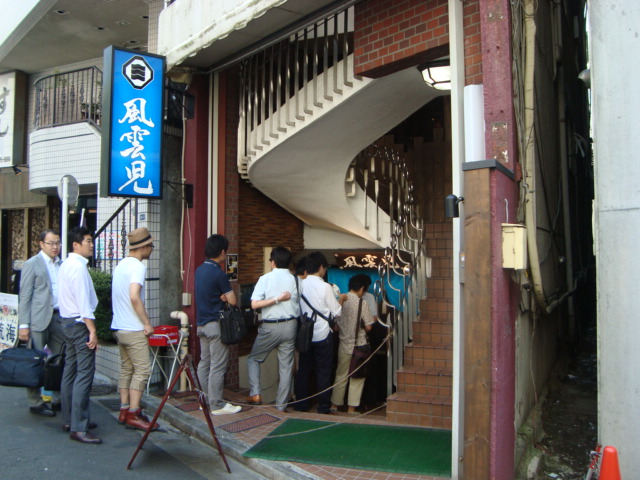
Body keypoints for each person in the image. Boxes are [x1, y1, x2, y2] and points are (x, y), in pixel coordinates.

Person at [111, 227, 159, 431]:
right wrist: (147, 323)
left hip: (119, 327)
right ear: (144, 247)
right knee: (142, 370)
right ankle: (134, 412)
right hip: (133, 329)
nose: (152, 250)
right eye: (151, 246)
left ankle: (123, 410)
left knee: (127, 369)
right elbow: (134, 296)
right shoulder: (138, 267)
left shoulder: (120, 265)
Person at [58, 226, 101, 444]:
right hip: (78, 324)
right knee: (84, 374)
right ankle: (79, 427)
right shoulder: (78, 268)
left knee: (70, 371)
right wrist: (92, 330)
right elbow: (84, 303)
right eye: (87, 241)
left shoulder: (66, 264)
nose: (91, 244)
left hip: (66, 323)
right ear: (76, 244)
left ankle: (70, 419)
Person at [246, 246, 299, 412]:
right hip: (291, 325)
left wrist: (276, 299)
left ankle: (255, 394)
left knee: (254, 359)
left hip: (270, 327)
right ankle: (281, 405)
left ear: (273, 262)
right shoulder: (296, 280)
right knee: (285, 366)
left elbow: (254, 304)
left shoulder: (265, 279)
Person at [18, 229, 65, 417]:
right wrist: (23, 325)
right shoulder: (32, 264)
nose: (55, 247)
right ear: (41, 244)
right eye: (51, 243)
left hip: (59, 317)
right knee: (35, 362)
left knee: (61, 358)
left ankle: (58, 398)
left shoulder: (62, 264)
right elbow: (25, 296)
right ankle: (35, 402)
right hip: (37, 320)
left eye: (58, 243)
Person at [195, 234, 242, 415]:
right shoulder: (218, 273)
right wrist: (225, 297)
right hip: (215, 325)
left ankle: (203, 401)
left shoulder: (199, 270)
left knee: (204, 363)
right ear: (222, 252)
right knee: (218, 365)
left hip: (200, 325)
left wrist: (220, 296)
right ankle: (216, 405)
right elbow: (233, 301)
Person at [293, 251, 344, 414]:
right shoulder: (325, 287)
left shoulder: (299, 285)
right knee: (323, 371)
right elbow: (337, 312)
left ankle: (301, 405)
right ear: (321, 267)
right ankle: (323, 407)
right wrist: (341, 300)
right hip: (322, 334)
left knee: (303, 370)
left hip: (304, 335)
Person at [330, 274, 374, 414]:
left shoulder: (340, 300)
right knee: (357, 377)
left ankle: (335, 405)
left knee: (340, 375)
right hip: (358, 346)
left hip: (343, 345)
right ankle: (351, 408)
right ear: (361, 288)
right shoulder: (363, 303)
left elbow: (336, 326)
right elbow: (369, 327)